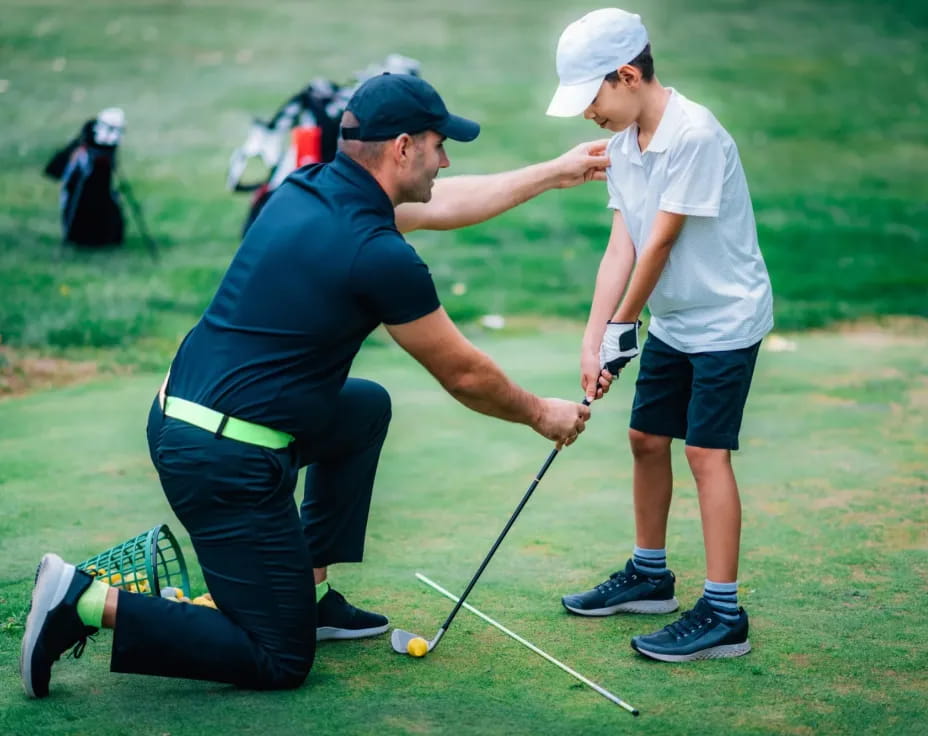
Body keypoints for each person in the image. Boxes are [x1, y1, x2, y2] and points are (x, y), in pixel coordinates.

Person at [21, 72, 600, 698]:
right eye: (439, 145)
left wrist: (554, 172)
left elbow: (450, 199)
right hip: (221, 461)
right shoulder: (377, 252)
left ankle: (310, 591)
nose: (446, 159)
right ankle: (81, 600)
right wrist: (542, 413)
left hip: (196, 418)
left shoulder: (308, 189)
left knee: (363, 408)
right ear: (402, 148)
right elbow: (463, 374)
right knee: (278, 658)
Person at [546, 8, 773, 662]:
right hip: (675, 318)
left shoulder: (695, 135)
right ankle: (650, 576)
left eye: (592, 97)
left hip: (725, 317)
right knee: (646, 437)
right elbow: (624, 243)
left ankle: (725, 614)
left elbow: (663, 241)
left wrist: (624, 325)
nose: (589, 112)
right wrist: (596, 337)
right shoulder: (623, 144)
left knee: (705, 453)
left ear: (626, 75)